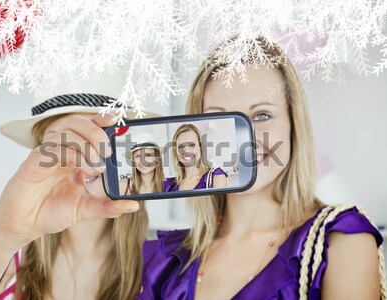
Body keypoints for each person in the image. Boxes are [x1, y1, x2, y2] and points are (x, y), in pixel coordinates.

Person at [138, 38, 385, 300]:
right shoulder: (166, 260)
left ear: (292, 124)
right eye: (221, 118)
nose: (244, 137)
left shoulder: (341, 242)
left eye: (262, 115)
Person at [0, 93, 151, 300]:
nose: (77, 155)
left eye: (95, 137)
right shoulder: (1, 258)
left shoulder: (162, 267)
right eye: (60, 142)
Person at [164, 123, 228, 192]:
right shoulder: (169, 185)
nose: (187, 151)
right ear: (175, 151)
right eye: (181, 146)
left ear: (200, 147)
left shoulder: (216, 177)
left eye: (192, 145)